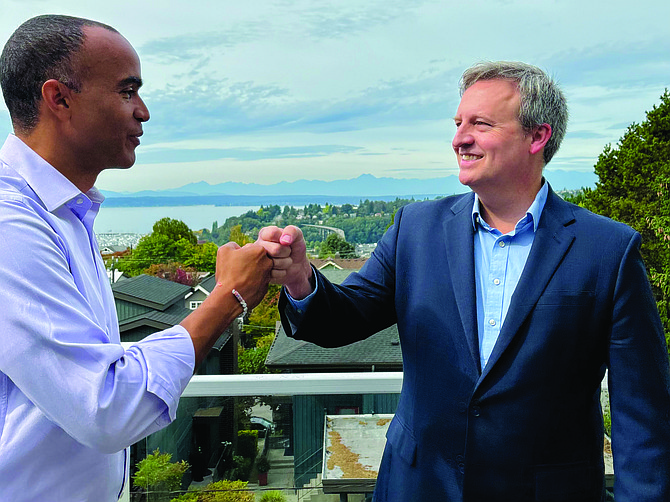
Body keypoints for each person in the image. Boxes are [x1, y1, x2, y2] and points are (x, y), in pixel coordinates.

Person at [258, 61, 670, 501]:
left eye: (481, 124)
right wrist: (302, 280)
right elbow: (344, 318)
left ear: (537, 136)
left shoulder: (608, 249)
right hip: (417, 488)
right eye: (458, 123)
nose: (459, 138)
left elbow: (642, 417)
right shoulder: (414, 230)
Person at [0, 15, 272, 501]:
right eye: (127, 91)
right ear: (58, 98)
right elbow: (105, 407)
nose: (143, 111)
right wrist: (227, 298)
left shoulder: (63, 215)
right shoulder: (11, 227)